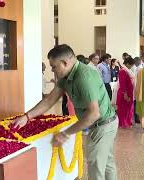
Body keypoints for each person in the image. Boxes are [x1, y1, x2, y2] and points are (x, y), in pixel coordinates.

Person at [12, 44, 118, 180]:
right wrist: (27, 117)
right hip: (102, 123)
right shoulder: (66, 76)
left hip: (103, 125)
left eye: (54, 67)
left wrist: (65, 133)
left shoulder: (84, 77)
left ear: (65, 62)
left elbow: (93, 114)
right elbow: (50, 100)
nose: (52, 70)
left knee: (96, 167)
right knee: (107, 163)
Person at [116, 57, 135, 128]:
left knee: (129, 109)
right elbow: (122, 84)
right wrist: (125, 94)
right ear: (127, 64)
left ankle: (127, 122)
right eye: (131, 65)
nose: (131, 67)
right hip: (124, 93)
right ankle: (123, 123)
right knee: (123, 109)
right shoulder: (123, 71)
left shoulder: (127, 70)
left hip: (129, 92)